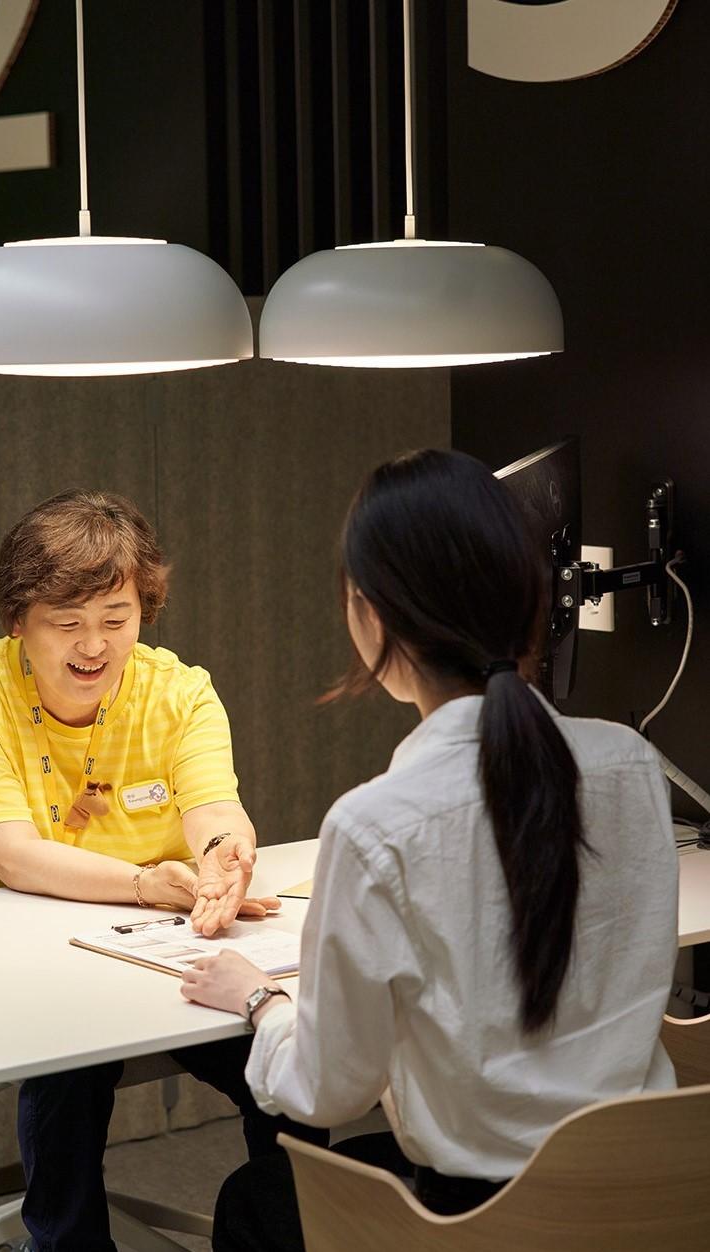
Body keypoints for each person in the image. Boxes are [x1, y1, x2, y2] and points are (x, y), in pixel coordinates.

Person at [180, 450, 679, 1252]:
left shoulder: (375, 824)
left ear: (370, 616)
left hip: (477, 1222)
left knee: (254, 1201)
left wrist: (260, 1002)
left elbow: (323, 1091)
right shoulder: (631, 766)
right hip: (647, 1197)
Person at [0, 488, 327, 1252]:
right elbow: (12, 855)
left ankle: (285, 1231)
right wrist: (145, 881)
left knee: (280, 1053)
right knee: (67, 1066)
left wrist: (223, 857)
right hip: (8, 940)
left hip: (157, 936)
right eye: (67, 623)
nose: (94, 645)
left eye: (117, 620)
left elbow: (212, 804)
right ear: (18, 621)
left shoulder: (178, 689)